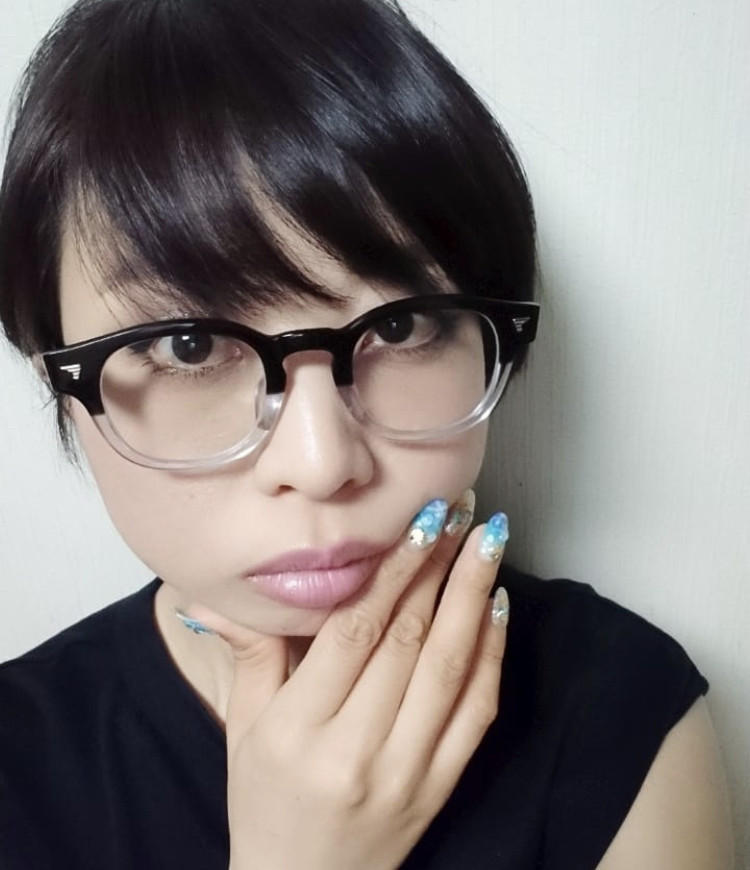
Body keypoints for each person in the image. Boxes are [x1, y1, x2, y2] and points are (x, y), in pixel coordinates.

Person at [0, 0, 733, 867]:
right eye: (187, 346)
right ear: (59, 385)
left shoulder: (619, 709)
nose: (321, 463)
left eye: (400, 327)